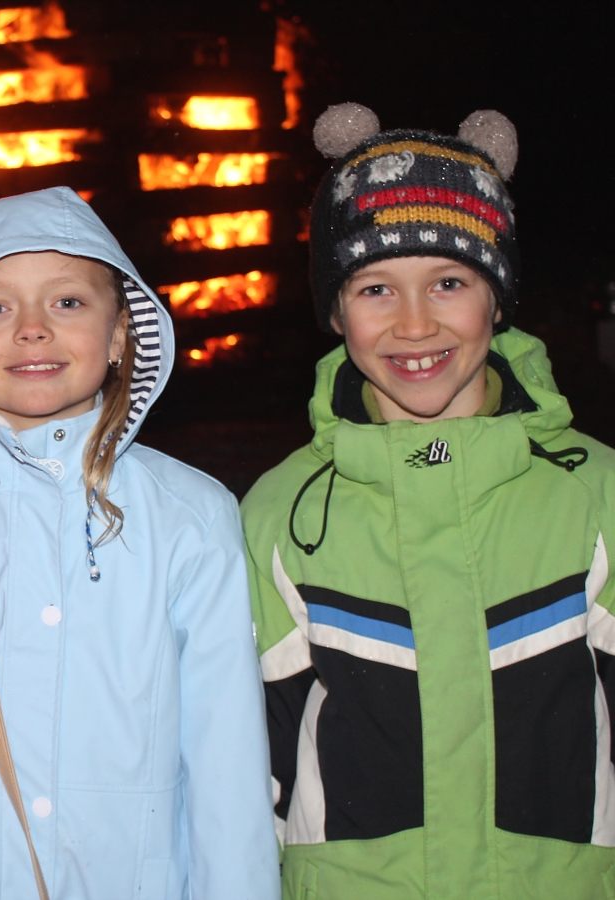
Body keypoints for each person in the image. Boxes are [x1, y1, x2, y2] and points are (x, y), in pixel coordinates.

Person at [240, 101, 615, 898]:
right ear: (336, 312)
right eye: (375, 288)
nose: (415, 324)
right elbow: (254, 756)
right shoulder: (281, 512)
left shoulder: (592, 492)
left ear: (499, 299)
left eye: (450, 282)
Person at [0, 185, 280, 898]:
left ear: (121, 332)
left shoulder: (190, 515)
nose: (32, 329)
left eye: (67, 302)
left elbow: (228, 767)